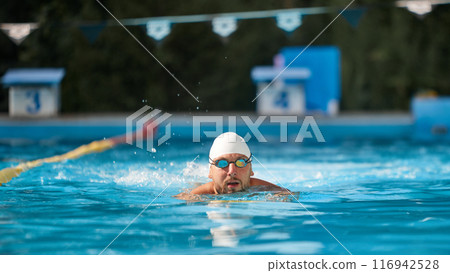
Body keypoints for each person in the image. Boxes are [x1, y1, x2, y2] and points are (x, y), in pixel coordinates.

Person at [177, 132, 289, 197]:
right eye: (222, 163)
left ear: (251, 170)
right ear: (210, 172)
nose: (232, 171)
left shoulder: (262, 188)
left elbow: (288, 195)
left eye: (240, 162)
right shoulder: (196, 195)